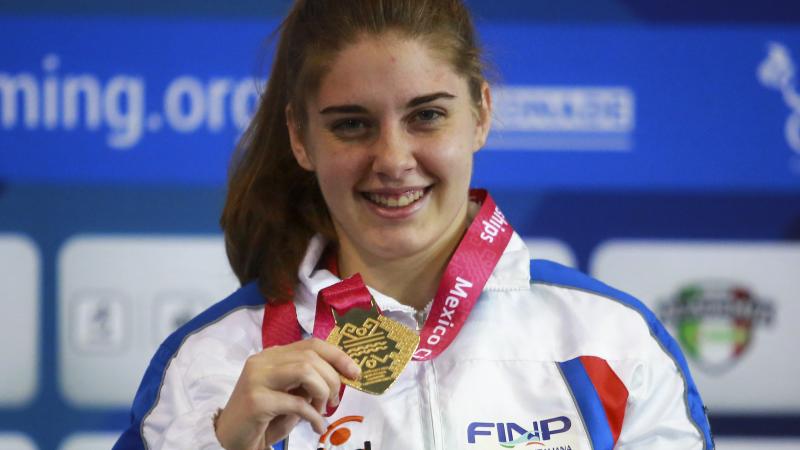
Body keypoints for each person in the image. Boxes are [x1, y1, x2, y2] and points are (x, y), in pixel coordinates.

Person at [114, 1, 714, 449]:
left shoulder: (611, 340)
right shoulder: (212, 363)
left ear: (481, 114)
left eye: (426, 116)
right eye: (352, 125)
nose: (394, 160)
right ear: (300, 137)